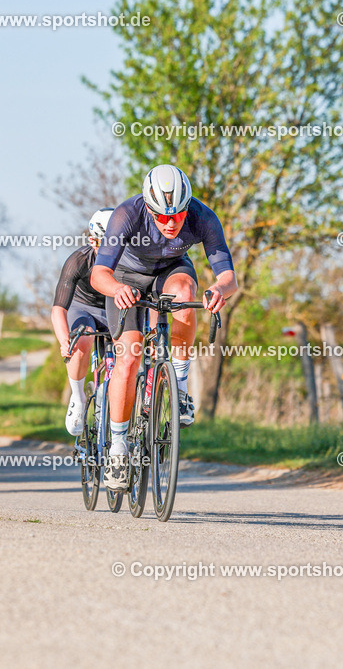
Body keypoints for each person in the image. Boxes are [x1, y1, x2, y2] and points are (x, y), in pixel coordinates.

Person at [90, 165, 237, 490]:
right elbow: (99, 273)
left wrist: (218, 291)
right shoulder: (127, 214)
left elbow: (228, 275)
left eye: (178, 215)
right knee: (128, 356)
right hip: (126, 278)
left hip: (171, 271)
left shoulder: (203, 216)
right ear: (149, 207)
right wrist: (116, 289)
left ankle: (180, 389)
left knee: (186, 294)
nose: (171, 223)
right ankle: (117, 449)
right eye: (162, 217)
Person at [50, 208, 113, 436]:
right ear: (91, 240)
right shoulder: (78, 261)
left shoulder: (131, 261)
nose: (106, 250)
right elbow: (58, 309)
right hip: (83, 307)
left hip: (113, 308)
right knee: (81, 339)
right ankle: (78, 397)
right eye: (100, 244)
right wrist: (64, 340)